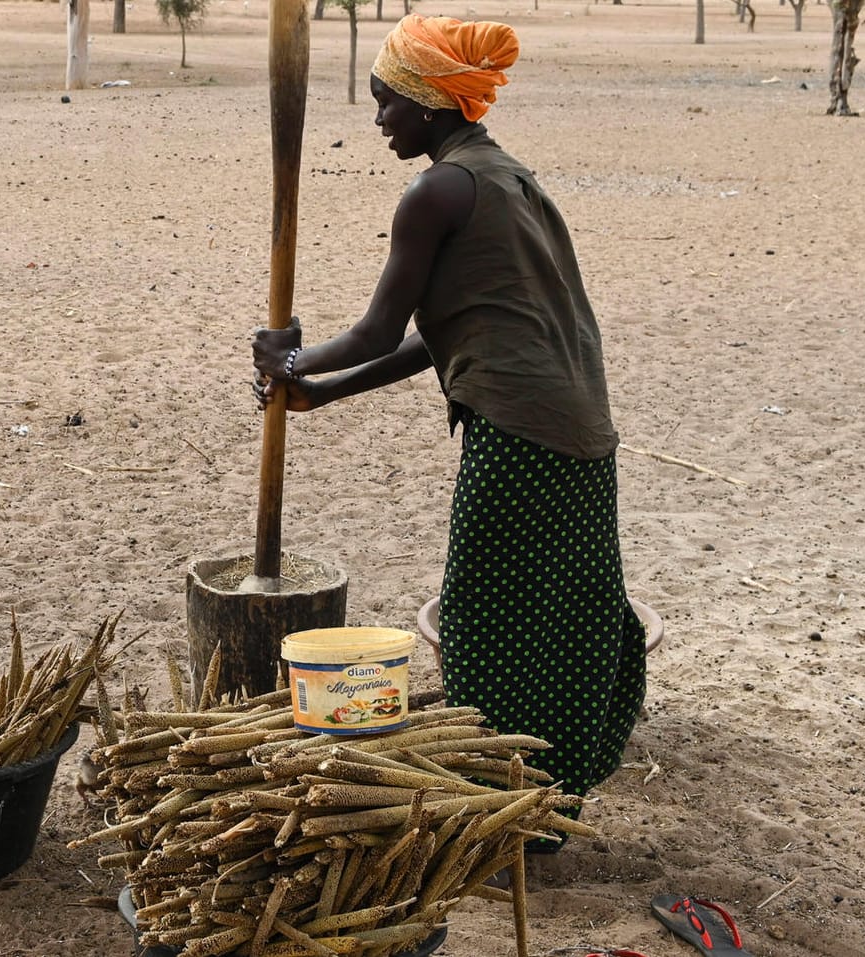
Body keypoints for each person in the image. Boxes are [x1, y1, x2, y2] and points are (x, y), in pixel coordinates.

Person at [251, 14, 646, 837]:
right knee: (558, 605)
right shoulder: (502, 176)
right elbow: (444, 332)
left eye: (385, 103)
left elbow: (377, 330)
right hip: (572, 423)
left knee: (487, 611)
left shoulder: (434, 190)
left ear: (429, 105)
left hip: (519, 431)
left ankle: (505, 794)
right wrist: (320, 393)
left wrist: (290, 361)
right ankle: (543, 786)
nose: (377, 122)